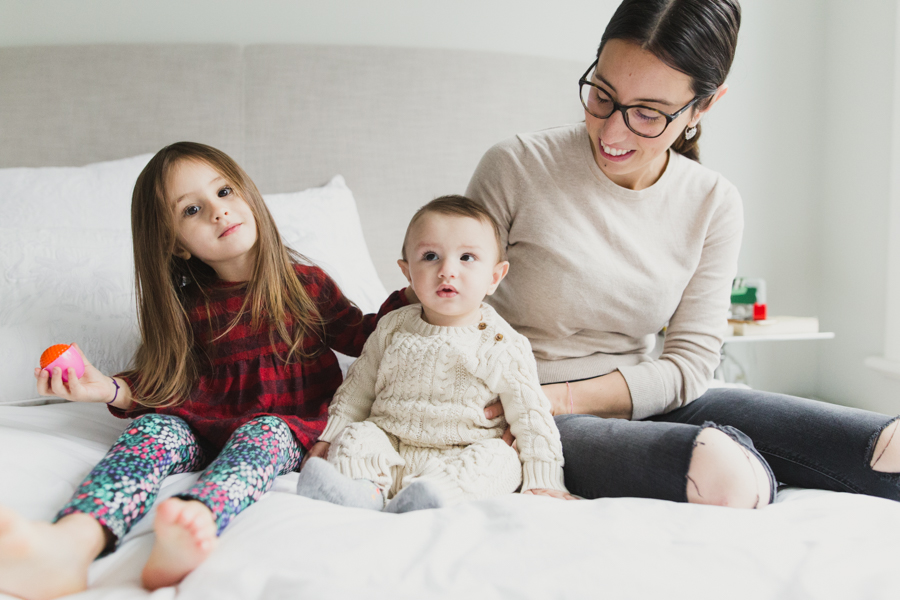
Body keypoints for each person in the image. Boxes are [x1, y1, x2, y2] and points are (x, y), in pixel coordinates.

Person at [466, 0, 899, 508]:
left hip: (642, 400)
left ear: (703, 107)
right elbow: (444, 310)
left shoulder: (713, 203)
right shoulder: (516, 167)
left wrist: (564, 398)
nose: (611, 131)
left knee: (888, 449)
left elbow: (691, 365)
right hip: (524, 414)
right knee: (724, 474)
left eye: (647, 113)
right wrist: (535, 403)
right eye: (601, 95)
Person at [0, 142, 411, 600]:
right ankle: (71, 542)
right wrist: (108, 389)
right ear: (176, 244)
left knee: (264, 433)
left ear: (249, 197)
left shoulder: (304, 285)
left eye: (226, 191)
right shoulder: (185, 307)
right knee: (154, 431)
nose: (218, 211)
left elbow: (363, 337)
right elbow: (166, 384)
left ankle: (196, 523)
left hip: (284, 423)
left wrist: (418, 297)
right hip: (202, 422)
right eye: (193, 209)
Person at [296, 196, 572, 512]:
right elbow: (356, 393)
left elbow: (532, 417)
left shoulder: (502, 343)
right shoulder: (391, 328)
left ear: (494, 277)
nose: (447, 271)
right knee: (358, 436)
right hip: (391, 450)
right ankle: (362, 491)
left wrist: (546, 479)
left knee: (500, 458)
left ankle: (432, 497)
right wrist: (329, 438)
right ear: (407, 272)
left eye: (467, 257)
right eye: (430, 256)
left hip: (462, 456)